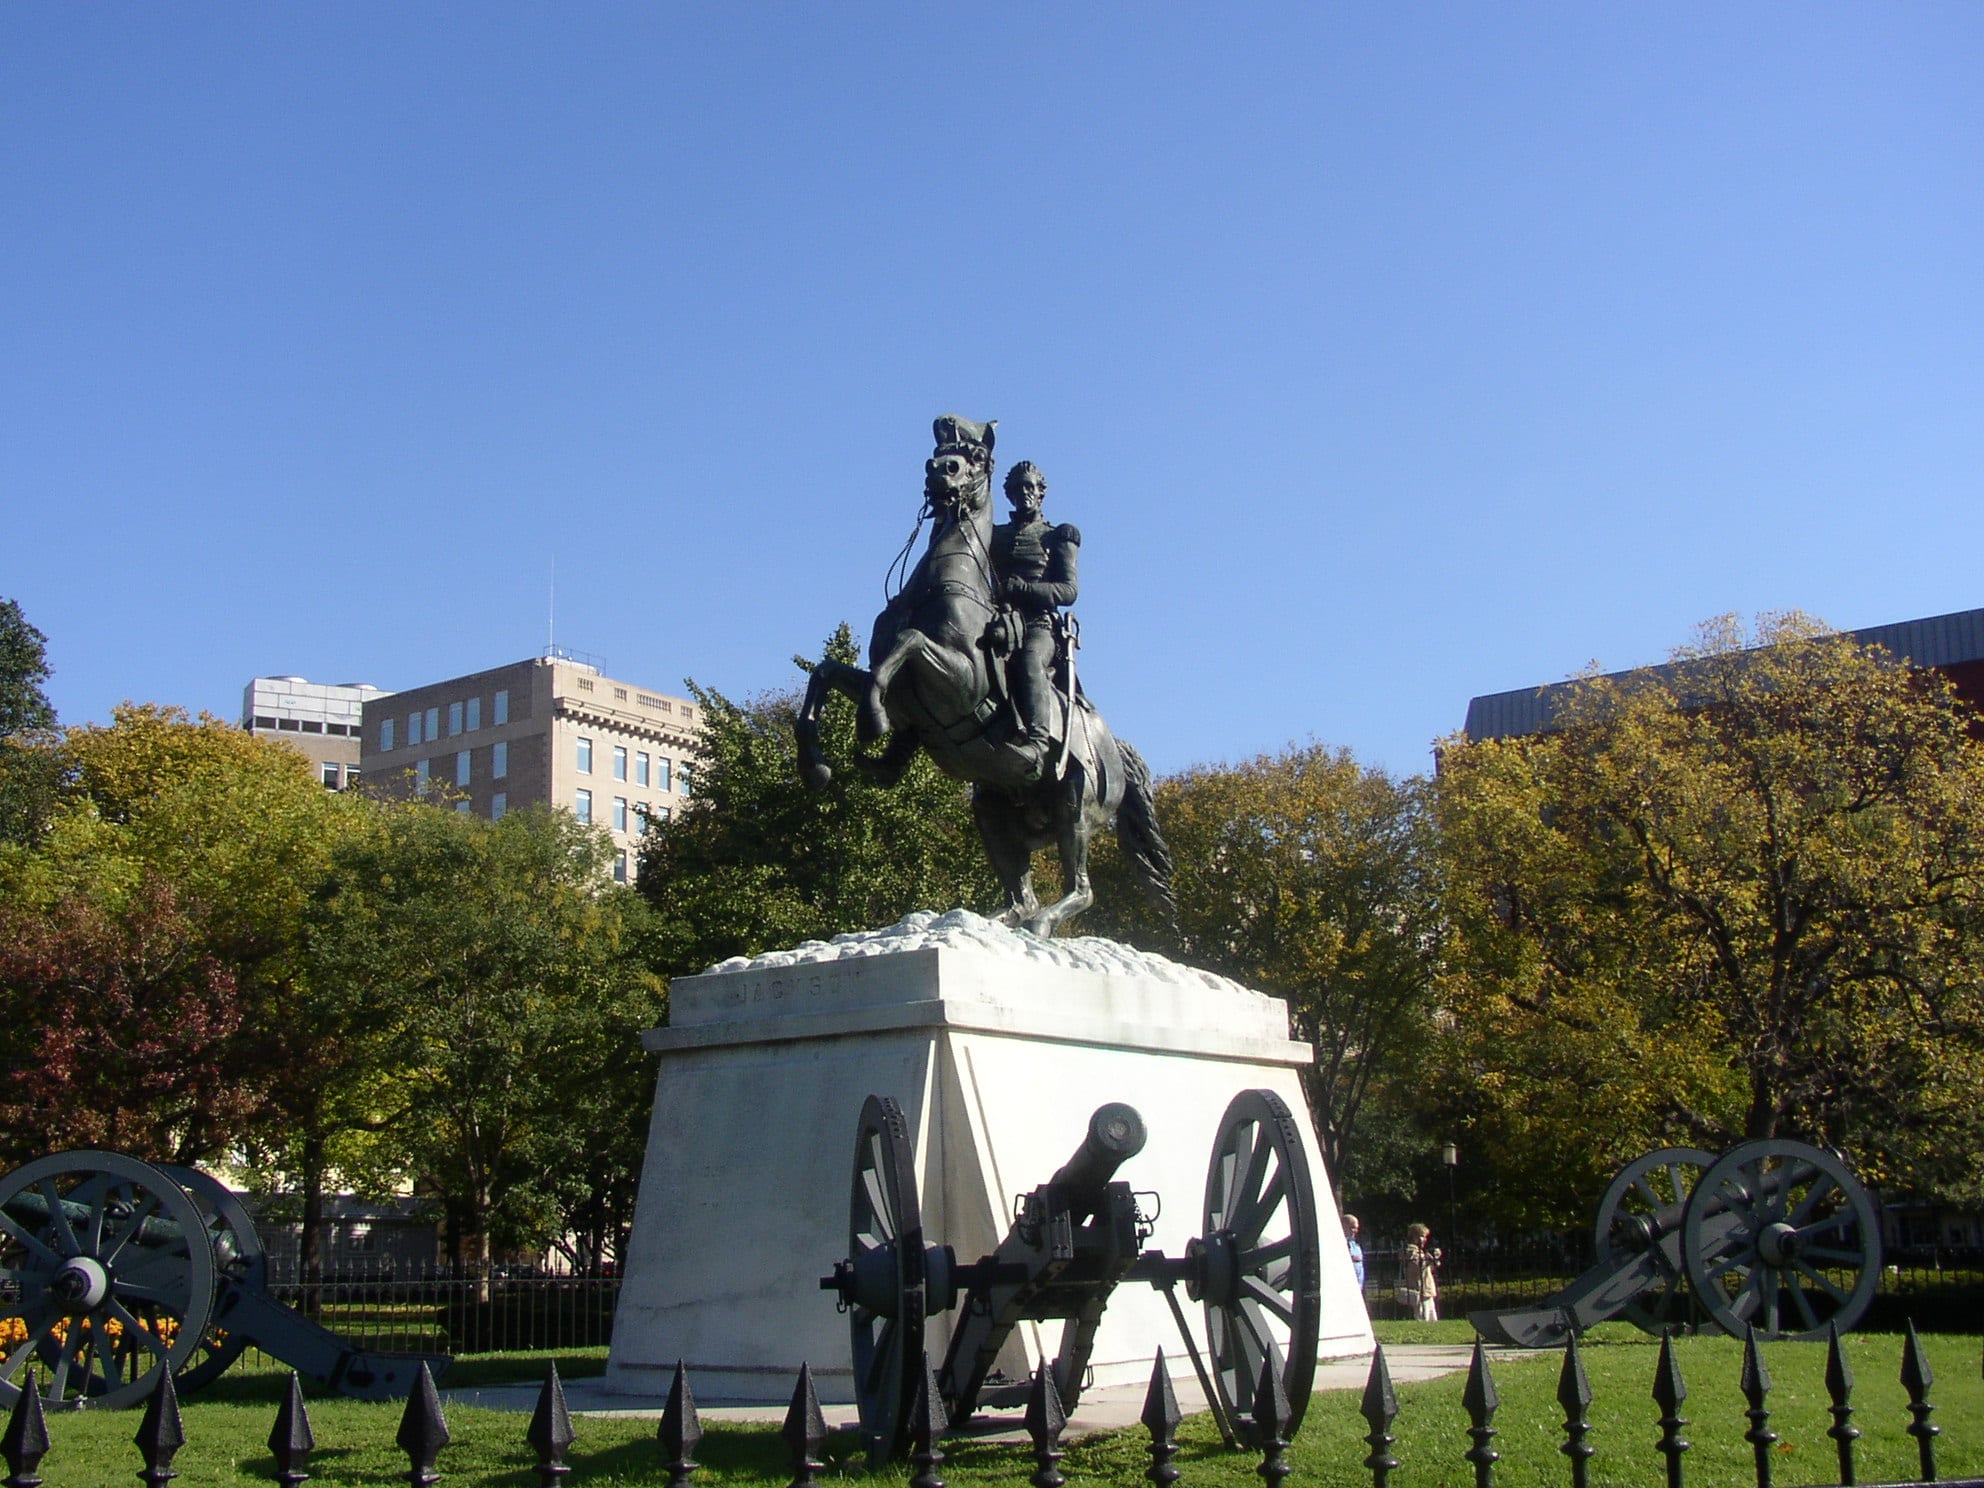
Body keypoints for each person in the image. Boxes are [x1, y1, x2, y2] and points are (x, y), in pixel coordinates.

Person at [990, 460, 1080, 781]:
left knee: (1029, 661)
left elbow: (1068, 590)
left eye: (1030, 487)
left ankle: (1038, 743)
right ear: (1008, 495)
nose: (1024, 493)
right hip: (997, 620)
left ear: (1040, 493)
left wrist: (1026, 589)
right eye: (1017, 488)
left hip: (1037, 625)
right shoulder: (994, 535)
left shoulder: (1057, 536)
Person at [1398, 1222, 1441, 1322]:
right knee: (1422, 1318)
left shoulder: (1421, 1251)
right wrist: (1427, 1260)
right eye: (1422, 1236)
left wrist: (1435, 1260)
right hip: (1418, 1290)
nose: (1425, 1239)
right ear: (1415, 1237)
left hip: (1427, 1290)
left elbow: (1430, 1269)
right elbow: (1416, 1267)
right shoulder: (1410, 1251)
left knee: (1432, 1319)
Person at [1343, 1212, 1366, 1291]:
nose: (1355, 1231)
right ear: (1343, 1227)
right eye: (1352, 1227)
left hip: (1358, 1287)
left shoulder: (1355, 1245)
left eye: (1357, 1228)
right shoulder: (1341, 1243)